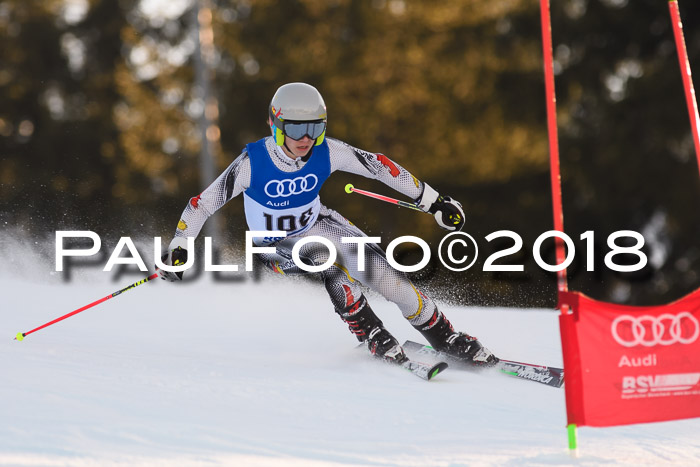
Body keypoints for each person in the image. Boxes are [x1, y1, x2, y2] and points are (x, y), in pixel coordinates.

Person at [158, 82, 495, 366]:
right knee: (324, 262)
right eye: (296, 128)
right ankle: (371, 331)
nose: (306, 138)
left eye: (316, 127)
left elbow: (379, 166)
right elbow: (200, 206)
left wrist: (434, 202)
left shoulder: (327, 152)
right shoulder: (251, 163)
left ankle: (444, 336)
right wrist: (180, 245)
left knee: (386, 278)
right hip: (271, 246)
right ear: (275, 125)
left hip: (317, 222)